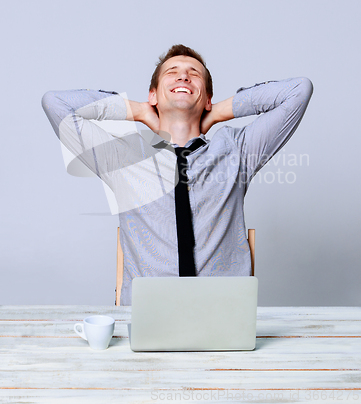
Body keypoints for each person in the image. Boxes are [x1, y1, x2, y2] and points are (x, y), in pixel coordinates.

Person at [42, 44, 313, 305]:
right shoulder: (123, 157)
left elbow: (299, 91)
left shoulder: (237, 150)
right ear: (154, 95)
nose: (183, 75)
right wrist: (136, 110)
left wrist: (217, 112)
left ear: (206, 98)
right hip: (149, 314)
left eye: (194, 74)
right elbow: (55, 103)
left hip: (222, 313)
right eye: (172, 72)